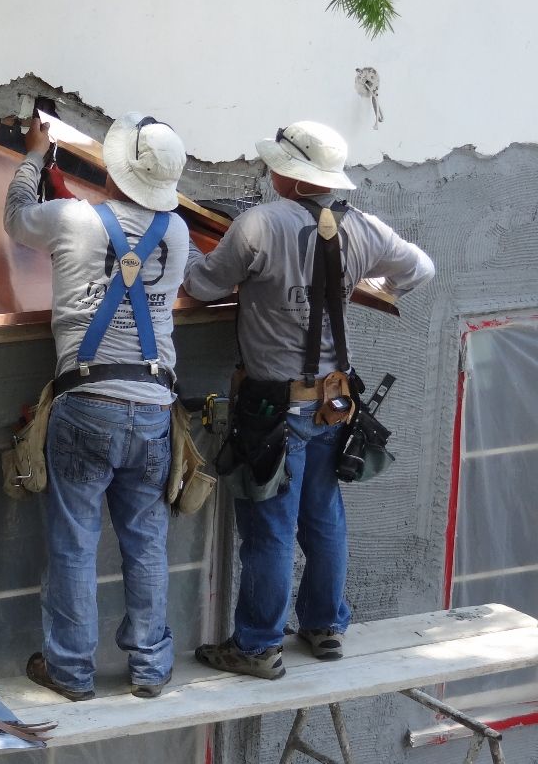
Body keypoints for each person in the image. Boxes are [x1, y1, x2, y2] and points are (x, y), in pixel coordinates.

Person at [184, 120, 434, 678]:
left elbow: (202, 285)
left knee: (270, 527)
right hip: (334, 402)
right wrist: (371, 285)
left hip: (273, 409)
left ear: (288, 175)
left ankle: (256, 647)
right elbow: (422, 269)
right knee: (323, 517)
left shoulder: (257, 225)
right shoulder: (362, 228)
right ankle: (324, 626)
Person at [5, 111, 191, 700]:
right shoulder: (179, 233)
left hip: (87, 403)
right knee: (146, 541)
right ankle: (151, 667)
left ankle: (71, 671)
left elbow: (14, 220)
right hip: (156, 407)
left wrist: (34, 157)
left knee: (74, 542)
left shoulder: (71, 218)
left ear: (112, 166)